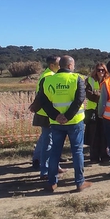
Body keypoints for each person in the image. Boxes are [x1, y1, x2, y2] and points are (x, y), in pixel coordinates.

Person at [35, 55, 91, 192]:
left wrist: (57, 116)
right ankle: (79, 182)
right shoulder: (77, 78)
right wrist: (67, 116)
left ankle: (52, 182)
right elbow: (80, 99)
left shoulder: (48, 80)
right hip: (75, 122)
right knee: (77, 151)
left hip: (55, 123)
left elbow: (43, 101)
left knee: (55, 151)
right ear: (70, 66)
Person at [30, 55, 64, 178]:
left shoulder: (48, 75)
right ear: (52, 65)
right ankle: (45, 169)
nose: (61, 66)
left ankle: (45, 163)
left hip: (47, 114)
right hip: (47, 115)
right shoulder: (48, 77)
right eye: (59, 64)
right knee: (49, 142)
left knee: (47, 139)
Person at [85, 62, 110, 165]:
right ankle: (94, 157)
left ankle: (104, 156)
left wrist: (98, 95)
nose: (100, 72)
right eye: (99, 70)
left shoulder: (107, 81)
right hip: (92, 111)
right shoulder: (89, 80)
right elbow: (88, 94)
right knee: (93, 135)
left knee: (104, 134)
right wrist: (100, 97)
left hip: (105, 110)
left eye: (102, 70)